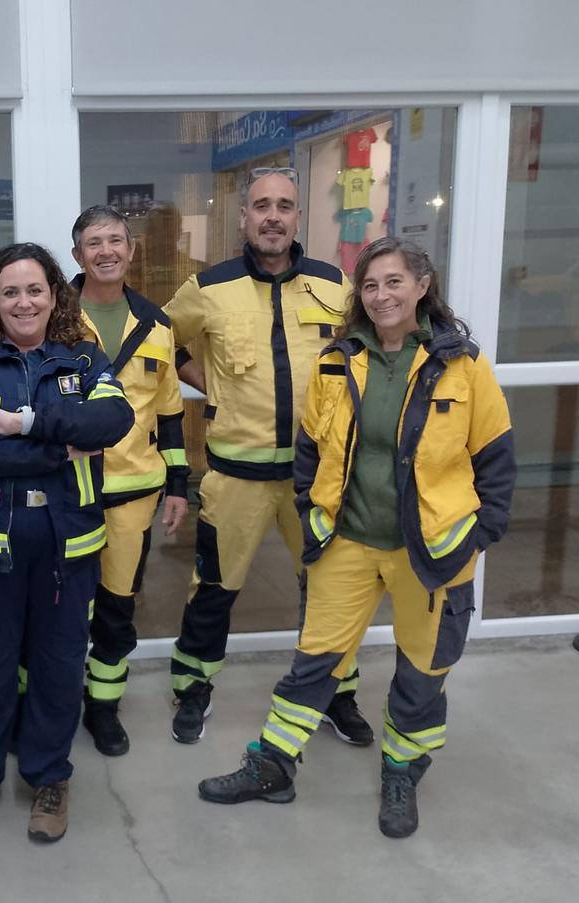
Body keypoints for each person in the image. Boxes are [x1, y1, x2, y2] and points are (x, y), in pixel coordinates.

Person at [197, 237, 515, 839]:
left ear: (422, 286)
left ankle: (401, 769)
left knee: (422, 671)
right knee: (313, 663)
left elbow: (496, 458)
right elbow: (312, 450)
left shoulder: (464, 366)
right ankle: (273, 765)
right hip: (346, 542)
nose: (381, 295)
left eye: (393, 282)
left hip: (434, 550)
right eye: (369, 285)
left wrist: (480, 533)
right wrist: (311, 510)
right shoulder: (337, 361)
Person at [0, 243, 133, 847]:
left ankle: (49, 777)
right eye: (10, 292)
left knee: (57, 668)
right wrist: (58, 448)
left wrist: (25, 425)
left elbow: (111, 425)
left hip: (67, 549)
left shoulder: (84, 358)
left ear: (54, 296)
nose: (24, 302)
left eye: (35, 290)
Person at [164, 167, 372, 747]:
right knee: (213, 588)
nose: (273, 216)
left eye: (284, 205)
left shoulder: (336, 285)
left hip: (318, 478)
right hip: (236, 478)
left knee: (329, 593)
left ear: (298, 217)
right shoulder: (209, 288)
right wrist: (207, 381)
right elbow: (161, 340)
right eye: (262, 206)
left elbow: (370, 350)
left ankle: (337, 694)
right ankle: (192, 688)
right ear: (244, 217)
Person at [69, 205, 189, 756]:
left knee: (117, 606)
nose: (106, 251)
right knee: (57, 603)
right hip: (64, 490)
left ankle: (102, 706)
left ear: (132, 250)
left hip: (132, 493)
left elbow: (168, 410)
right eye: (94, 243)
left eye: (115, 240)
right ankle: (45, 700)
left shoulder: (157, 324)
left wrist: (179, 485)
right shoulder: (51, 316)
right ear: (77, 255)